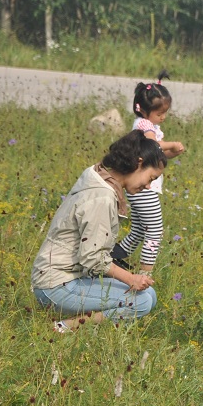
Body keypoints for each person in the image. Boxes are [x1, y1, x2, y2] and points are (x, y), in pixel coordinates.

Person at [32, 131, 167, 332]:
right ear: (138, 164)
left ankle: (76, 320)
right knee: (142, 303)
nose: (148, 186)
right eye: (150, 178)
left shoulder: (100, 176)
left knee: (150, 296)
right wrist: (131, 278)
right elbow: (93, 258)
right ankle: (63, 327)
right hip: (55, 286)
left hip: (70, 278)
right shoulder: (102, 198)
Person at [111, 71, 186, 273]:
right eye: (159, 113)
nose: (163, 117)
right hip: (144, 188)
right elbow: (153, 145)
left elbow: (156, 156)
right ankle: (145, 272)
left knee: (139, 228)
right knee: (154, 231)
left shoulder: (150, 124)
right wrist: (171, 144)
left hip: (145, 186)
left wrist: (173, 153)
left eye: (165, 112)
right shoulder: (143, 125)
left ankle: (115, 256)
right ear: (143, 110)